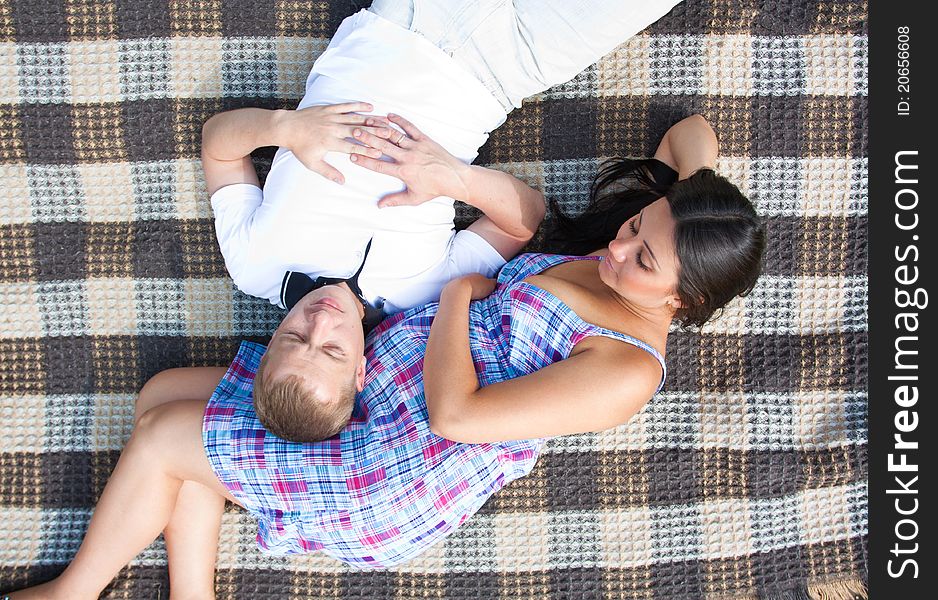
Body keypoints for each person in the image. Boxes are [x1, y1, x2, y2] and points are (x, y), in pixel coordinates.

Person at [6, 2, 761, 599]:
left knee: (170, 435)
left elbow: (457, 416)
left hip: (400, 464)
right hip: (381, 390)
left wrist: (464, 294)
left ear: (685, 302)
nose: (615, 249)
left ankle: (73, 592)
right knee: (165, 394)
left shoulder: (627, 372)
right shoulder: (635, 262)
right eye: (632, 227)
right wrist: (695, 206)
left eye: (643, 257)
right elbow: (689, 134)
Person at [199, 0, 684, 443]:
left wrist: (283, 127)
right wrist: (453, 178)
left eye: (295, 337)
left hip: (405, 17)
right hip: (506, 68)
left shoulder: (253, 265)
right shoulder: (418, 298)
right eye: (331, 350)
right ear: (361, 372)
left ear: (269, 346)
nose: (321, 321)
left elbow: (219, 143)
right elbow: (525, 220)